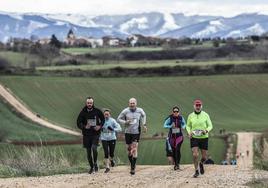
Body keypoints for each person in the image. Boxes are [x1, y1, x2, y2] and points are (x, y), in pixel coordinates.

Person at [117, 97, 147, 175]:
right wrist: (125, 122)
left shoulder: (140, 110)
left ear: (136, 103)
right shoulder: (125, 111)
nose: (132, 104)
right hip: (128, 132)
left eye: (133, 103)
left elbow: (144, 116)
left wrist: (144, 124)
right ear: (129, 104)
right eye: (131, 103)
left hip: (136, 132)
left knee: (134, 148)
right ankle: (132, 163)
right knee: (129, 150)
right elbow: (118, 119)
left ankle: (132, 168)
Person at [77, 97, 105, 174]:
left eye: (91, 103)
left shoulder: (97, 111)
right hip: (86, 135)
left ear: (93, 103)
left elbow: (103, 120)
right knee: (88, 152)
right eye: (88, 103)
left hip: (95, 134)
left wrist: (99, 126)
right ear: (86, 103)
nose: (89, 104)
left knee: (94, 148)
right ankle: (91, 167)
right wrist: (84, 126)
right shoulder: (83, 112)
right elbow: (78, 122)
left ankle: (95, 163)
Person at [186, 99, 213, 178]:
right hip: (194, 137)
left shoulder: (206, 115)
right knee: (195, 155)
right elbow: (188, 126)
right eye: (196, 105)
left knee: (204, 157)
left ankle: (201, 163)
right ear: (194, 106)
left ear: (201, 106)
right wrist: (189, 132)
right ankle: (196, 171)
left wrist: (206, 130)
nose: (198, 107)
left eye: (199, 105)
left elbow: (210, 125)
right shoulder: (190, 116)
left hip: (204, 137)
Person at [100, 109, 122, 173]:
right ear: (103, 115)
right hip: (104, 139)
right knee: (106, 153)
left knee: (111, 153)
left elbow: (119, 128)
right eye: (105, 114)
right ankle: (107, 167)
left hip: (112, 138)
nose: (106, 115)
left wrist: (113, 129)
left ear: (110, 115)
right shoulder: (101, 121)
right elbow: (97, 127)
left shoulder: (112, 121)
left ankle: (112, 160)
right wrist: (99, 129)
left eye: (107, 114)